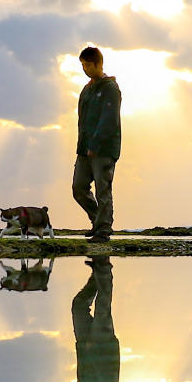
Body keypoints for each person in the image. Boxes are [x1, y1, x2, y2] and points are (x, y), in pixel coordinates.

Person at [73, 46, 122, 242]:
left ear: (99, 64)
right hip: (84, 149)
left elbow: (109, 119)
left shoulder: (110, 88)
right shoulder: (87, 89)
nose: (85, 69)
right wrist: (84, 145)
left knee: (103, 189)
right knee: (78, 188)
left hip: (104, 149)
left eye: (88, 65)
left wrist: (96, 143)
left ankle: (103, 230)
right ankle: (97, 221)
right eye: (83, 65)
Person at [72, 256, 119, 382]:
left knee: (79, 306)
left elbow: (81, 375)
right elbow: (105, 376)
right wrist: (92, 351)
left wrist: (83, 349)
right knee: (103, 307)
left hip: (85, 346)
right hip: (102, 347)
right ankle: (104, 268)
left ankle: (96, 275)